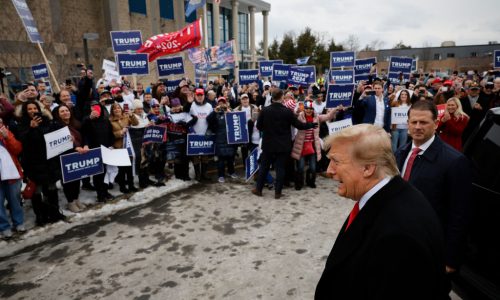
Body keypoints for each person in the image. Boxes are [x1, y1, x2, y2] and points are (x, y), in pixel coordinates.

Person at [315, 124, 450, 300]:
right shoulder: (391, 195)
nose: (329, 170)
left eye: (336, 161)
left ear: (368, 168)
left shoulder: (398, 238)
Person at [395, 100, 473, 276]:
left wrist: (451, 258)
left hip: (430, 247)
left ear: (436, 124)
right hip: (401, 240)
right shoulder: (400, 153)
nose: (417, 127)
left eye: (423, 122)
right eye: (413, 122)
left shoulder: (455, 162)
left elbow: (459, 214)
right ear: (407, 123)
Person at [251, 89, 317, 199]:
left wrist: (268, 130)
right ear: (282, 98)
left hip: (268, 144)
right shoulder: (287, 111)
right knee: (280, 168)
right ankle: (278, 192)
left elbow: (259, 127)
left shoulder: (265, 110)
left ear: (272, 97)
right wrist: (310, 125)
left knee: (264, 167)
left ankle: (259, 190)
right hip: (283, 145)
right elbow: (299, 125)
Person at [18, 101, 65, 225]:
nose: (33, 111)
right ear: (25, 111)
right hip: (33, 164)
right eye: (29, 109)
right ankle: (40, 216)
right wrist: (31, 129)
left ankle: (55, 212)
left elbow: (54, 136)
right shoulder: (22, 124)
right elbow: (23, 143)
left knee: (51, 189)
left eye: (35, 108)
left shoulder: (46, 121)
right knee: (37, 192)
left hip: (48, 162)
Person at [291, 101, 337, 190]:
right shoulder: (300, 116)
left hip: (312, 146)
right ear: (304, 109)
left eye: (310, 109)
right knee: (300, 167)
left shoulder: (317, 117)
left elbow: (328, 116)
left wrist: (335, 109)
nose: (308, 110)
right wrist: (297, 111)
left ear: (313, 109)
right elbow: (294, 115)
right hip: (301, 146)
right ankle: (299, 183)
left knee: (313, 167)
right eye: (307, 108)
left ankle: (310, 181)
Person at [51, 104, 88, 213]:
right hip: (65, 157)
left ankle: (76, 199)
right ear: (58, 114)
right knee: (68, 181)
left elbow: (84, 136)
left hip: (79, 154)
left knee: (77, 178)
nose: (65, 112)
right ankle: (70, 202)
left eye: (66, 110)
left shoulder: (76, 123)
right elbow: (57, 144)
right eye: (62, 111)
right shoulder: (56, 126)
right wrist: (74, 147)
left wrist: (85, 145)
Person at [0, 118, 25, 238]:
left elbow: (18, 149)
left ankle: (18, 223)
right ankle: (4, 227)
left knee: (15, 200)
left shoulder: (7, 134)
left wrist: (7, 137)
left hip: (12, 174)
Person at [109, 103, 139, 193]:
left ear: (121, 109)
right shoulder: (110, 121)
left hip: (128, 147)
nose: (117, 110)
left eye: (118, 108)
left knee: (130, 168)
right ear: (112, 111)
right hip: (118, 148)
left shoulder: (126, 117)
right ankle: (122, 187)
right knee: (122, 170)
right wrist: (120, 132)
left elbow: (136, 123)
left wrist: (131, 115)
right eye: (115, 109)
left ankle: (131, 185)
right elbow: (110, 135)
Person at [207, 97, 237, 183]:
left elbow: (237, 120)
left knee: (231, 157)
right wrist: (215, 111)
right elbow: (208, 119)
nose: (221, 104)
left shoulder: (230, 111)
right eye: (220, 102)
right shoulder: (215, 112)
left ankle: (232, 172)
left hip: (230, 138)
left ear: (226, 103)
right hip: (220, 138)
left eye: (223, 102)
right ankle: (221, 175)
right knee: (221, 159)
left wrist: (230, 113)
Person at [189, 88, 214, 181]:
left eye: (201, 95)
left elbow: (212, 119)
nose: (199, 97)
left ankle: (204, 174)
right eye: (198, 95)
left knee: (205, 156)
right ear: (195, 96)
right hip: (194, 134)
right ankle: (198, 175)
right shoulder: (192, 105)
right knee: (195, 156)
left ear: (204, 96)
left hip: (205, 134)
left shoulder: (209, 106)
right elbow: (187, 118)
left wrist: (210, 129)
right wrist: (190, 130)